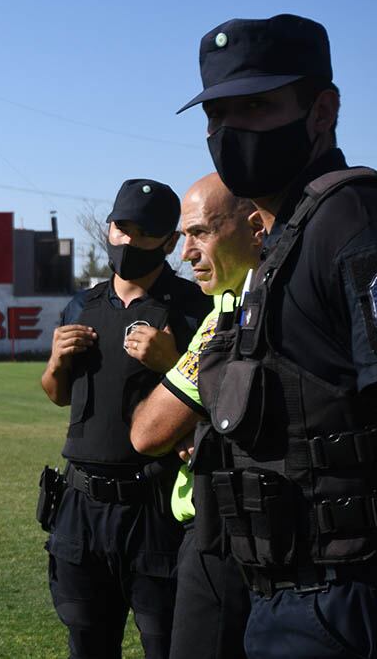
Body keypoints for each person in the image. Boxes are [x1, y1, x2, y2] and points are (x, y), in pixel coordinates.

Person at [176, 14, 377, 658]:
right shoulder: (278, 243)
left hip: (351, 598)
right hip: (278, 593)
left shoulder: (361, 224)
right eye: (217, 115)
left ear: (322, 110)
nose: (229, 132)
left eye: (257, 106)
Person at [39, 178, 212, 659]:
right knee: (87, 644)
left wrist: (172, 361)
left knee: (168, 644)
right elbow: (58, 395)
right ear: (109, 228)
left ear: (170, 242)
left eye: (143, 232)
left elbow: (216, 397)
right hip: (80, 505)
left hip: (154, 508)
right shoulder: (83, 305)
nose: (128, 241)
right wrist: (55, 363)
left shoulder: (195, 307)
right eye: (121, 228)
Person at [129, 173, 262, 659]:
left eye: (200, 232)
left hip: (225, 536)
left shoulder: (231, 313)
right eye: (184, 236)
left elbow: (149, 432)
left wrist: (198, 421)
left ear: (255, 227)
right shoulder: (221, 308)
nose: (186, 253)